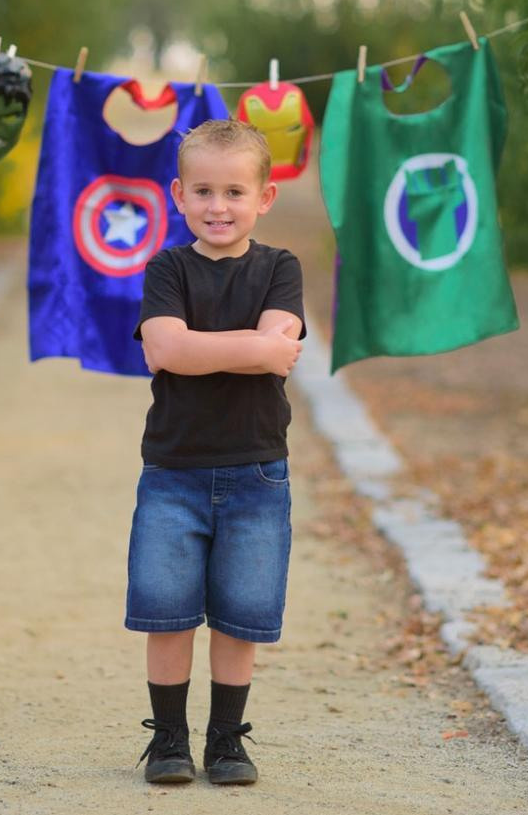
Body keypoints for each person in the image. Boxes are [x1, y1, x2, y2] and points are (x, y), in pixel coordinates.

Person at [128, 118, 306, 786]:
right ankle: (169, 738)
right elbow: (166, 348)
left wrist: (233, 350)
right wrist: (254, 349)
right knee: (168, 609)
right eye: (203, 190)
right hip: (173, 471)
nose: (218, 206)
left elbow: (277, 346)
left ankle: (227, 741)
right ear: (177, 194)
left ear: (264, 197)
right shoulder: (167, 268)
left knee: (241, 613)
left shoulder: (279, 268)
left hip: (258, 471)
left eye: (235, 191)